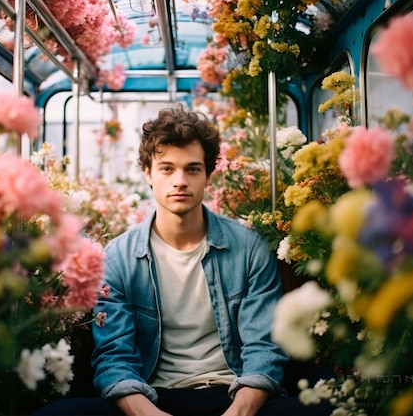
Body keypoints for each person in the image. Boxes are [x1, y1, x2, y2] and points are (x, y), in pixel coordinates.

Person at [33, 106, 331, 416]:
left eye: (192, 169)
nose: (180, 181)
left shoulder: (249, 248)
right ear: (148, 173)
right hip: (152, 397)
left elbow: (263, 348)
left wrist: (239, 412)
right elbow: (114, 358)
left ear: (207, 175)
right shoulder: (119, 258)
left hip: (232, 393)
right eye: (166, 168)